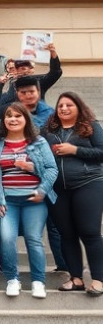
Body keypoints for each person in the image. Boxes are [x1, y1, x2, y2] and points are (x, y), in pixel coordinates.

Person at [0, 102, 58, 299]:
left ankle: (38, 281)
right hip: (8, 201)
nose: (13, 119)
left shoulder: (38, 142)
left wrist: (41, 188)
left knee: (34, 239)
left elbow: (51, 169)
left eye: (18, 116)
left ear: (26, 119)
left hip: (34, 199)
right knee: (7, 238)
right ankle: (13, 279)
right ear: (4, 120)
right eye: (9, 116)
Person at [41, 92, 103, 295]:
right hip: (58, 189)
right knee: (66, 235)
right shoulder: (48, 131)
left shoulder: (90, 126)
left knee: (90, 232)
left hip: (88, 183)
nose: (64, 109)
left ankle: (98, 280)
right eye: (60, 106)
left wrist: (74, 150)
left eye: (69, 105)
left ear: (78, 107)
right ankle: (76, 278)